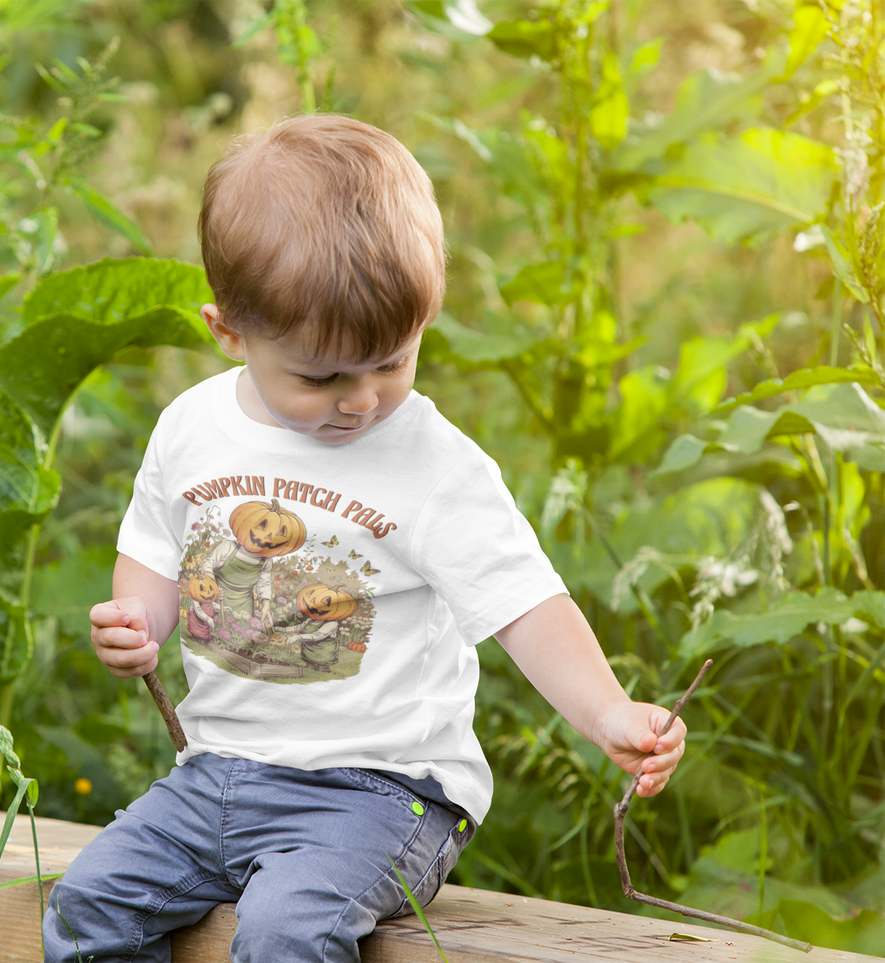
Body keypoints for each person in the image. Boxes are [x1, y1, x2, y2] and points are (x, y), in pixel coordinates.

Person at [42, 114, 687, 963]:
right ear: (228, 332)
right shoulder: (191, 426)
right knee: (90, 906)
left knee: (286, 929)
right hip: (215, 773)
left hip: (381, 792)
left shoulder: (430, 463)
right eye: (321, 377)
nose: (362, 399)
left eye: (392, 360)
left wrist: (606, 709)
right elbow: (155, 548)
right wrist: (137, 619)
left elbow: (522, 602)